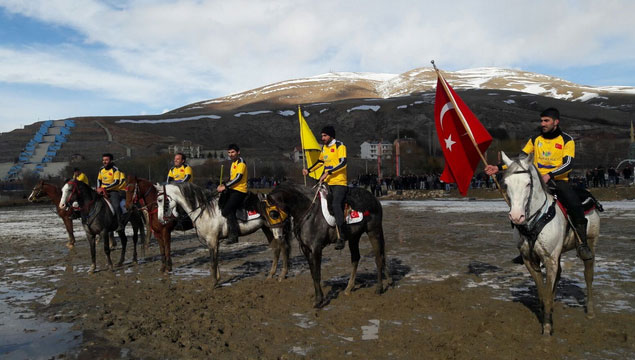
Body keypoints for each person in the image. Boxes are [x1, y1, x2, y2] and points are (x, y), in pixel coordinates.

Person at [485, 108, 593, 261]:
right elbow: (521, 161)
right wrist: (499, 168)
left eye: (546, 121)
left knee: (574, 204)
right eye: (541, 121)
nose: (543, 124)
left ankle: (582, 243)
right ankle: (525, 246)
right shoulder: (535, 139)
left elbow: (568, 164)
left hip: (559, 181)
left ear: (556, 122)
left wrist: (550, 175)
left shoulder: (567, 140)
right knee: (520, 205)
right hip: (536, 181)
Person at [303, 125, 348, 250]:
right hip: (327, 182)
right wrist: (309, 170)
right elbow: (320, 162)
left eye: (324, 135)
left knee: (336, 205)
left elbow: (343, 163)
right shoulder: (324, 148)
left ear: (331, 136)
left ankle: (341, 236)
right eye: (322, 135)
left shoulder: (340, 146)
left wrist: (329, 172)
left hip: (339, 182)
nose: (322, 138)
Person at [217, 144, 247, 245]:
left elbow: (238, 178)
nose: (231, 154)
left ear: (238, 152)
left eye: (233, 152)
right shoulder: (233, 163)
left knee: (227, 210)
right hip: (233, 189)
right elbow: (231, 178)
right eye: (229, 153)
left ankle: (234, 235)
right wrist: (224, 184)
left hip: (240, 191)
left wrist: (225, 187)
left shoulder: (241, 163)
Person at [96, 153, 127, 231]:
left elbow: (116, 182)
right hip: (101, 191)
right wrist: (98, 188)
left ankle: (120, 224)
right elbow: (99, 180)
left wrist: (105, 188)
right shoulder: (101, 169)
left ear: (111, 160)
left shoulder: (115, 170)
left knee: (116, 205)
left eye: (106, 160)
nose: (104, 162)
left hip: (113, 191)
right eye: (103, 160)